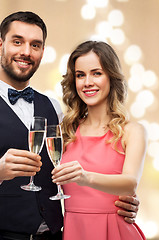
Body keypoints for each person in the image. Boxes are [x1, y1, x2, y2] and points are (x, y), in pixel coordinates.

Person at [0, 11, 139, 240]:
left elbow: (83, 167)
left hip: (56, 236)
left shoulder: (54, 108)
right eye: (17, 42)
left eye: (35, 45)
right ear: (0, 45)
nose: (26, 52)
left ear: (42, 52)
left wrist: (122, 201)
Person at [51, 40, 147, 239]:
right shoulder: (65, 132)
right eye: (80, 75)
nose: (87, 82)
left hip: (116, 232)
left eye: (97, 73)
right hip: (73, 231)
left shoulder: (132, 131)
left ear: (111, 77)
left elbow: (130, 183)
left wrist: (86, 177)